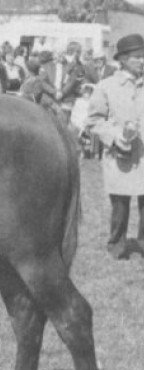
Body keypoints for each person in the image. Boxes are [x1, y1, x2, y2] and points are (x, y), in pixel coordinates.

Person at [86, 34, 144, 259]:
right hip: (121, 156)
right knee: (120, 205)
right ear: (123, 60)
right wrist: (116, 135)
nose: (142, 62)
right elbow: (93, 121)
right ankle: (117, 245)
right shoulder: (106, 86)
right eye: (137, 58)